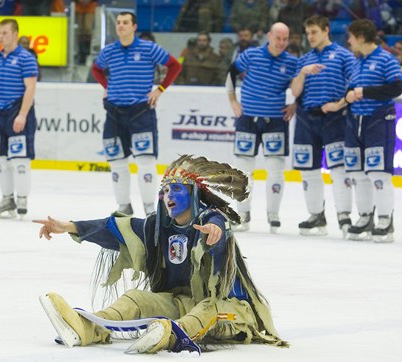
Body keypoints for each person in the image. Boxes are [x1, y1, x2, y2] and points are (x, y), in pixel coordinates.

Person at [34, 155, 287, 353]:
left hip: (230, 311)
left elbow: (220, 231)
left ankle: (170, 335)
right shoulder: (157, 229)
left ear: (193, 193)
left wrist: (215, 233)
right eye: (165, 191)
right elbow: (115, 229)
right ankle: (87, 327)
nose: (168, 196)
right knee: (136, 298)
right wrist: (70, 226)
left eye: (176, 189)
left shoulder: (211, 219)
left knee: (207, 309)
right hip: (181, 305)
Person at [91, 11, 181, 216]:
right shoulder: (109, 51)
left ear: (134, 26)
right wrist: (108, 86)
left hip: (141, 112)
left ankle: (150, 209)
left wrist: (160, 89)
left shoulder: (149, 48)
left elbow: (174, 65)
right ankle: (124, 207)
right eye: (119, 23)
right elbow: (96, 69)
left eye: (125, 23)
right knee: (117, 163)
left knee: (145, 162)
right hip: (114, 113)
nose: (121, 26)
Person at [226, 22, 298, 233]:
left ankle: (273, 214)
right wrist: (232, 101)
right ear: (269, 36)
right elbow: (230, 73)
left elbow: (300, 86)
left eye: (285, 39)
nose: (281, 43)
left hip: (276, 120)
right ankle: (242, 213)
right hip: (247, 118)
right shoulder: (251, 55)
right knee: (242, 170)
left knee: (276, 170)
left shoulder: (292, 62)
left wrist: (294, 103)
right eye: (278, 38)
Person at [290, 15, 356, 237]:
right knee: (308, 171)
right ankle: (316, 215)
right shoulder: (304, 59)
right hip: (307, 118)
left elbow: (357, 84)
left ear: (326, 30)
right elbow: (295, 92)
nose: (310, 37)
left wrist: (338, 105)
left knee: (339, 169)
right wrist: (302, 73)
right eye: (308, 33)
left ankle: (345, 216)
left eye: (314, 32)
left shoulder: (344, 56)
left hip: (334, 119)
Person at [343, 19, 402, 243]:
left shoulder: (386, 58)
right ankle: (365, 217)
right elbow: (352, 87)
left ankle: (385, 220)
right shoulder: (357, 62)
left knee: (379, 173)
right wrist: (350, 93)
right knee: (357, 173)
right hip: (355, 121)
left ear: (360, 36)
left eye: (350, 37)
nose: (348, 41)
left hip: (378, 120)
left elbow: (396, 87)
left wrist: (362, 91)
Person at [0, 19, 38, 219]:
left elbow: (30, 88)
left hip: (17, 111)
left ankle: (22, 199)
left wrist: (22, 115)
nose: (0, 36)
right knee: (0, 160)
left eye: (4, 33)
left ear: (15, 35)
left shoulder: (26, 58)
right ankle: (7, 199)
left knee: (20, 160)